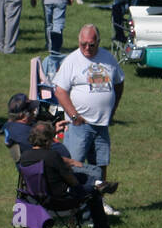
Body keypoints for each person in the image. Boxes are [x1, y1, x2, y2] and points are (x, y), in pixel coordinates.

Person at [52, 25, 124, 213]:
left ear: (98, 42)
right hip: (79, 125)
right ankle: (72, 203)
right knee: (74, 164)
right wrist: (74, 116)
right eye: (83, 44)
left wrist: (113, 108)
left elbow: (119, 83)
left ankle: (98, 202)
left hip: (102, 123)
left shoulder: (108, 59)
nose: (87, 48)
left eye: (91, 45)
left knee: (100, 165)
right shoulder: (72, 61)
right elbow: (59, 91)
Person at [18, 120, 115, 228]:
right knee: (93, 194)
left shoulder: (24, 156)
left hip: (34, 199)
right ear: (48, 139)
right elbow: (71, 181)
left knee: (84, 181)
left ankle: (98, 184)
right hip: (58, 201)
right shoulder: (52, 156)